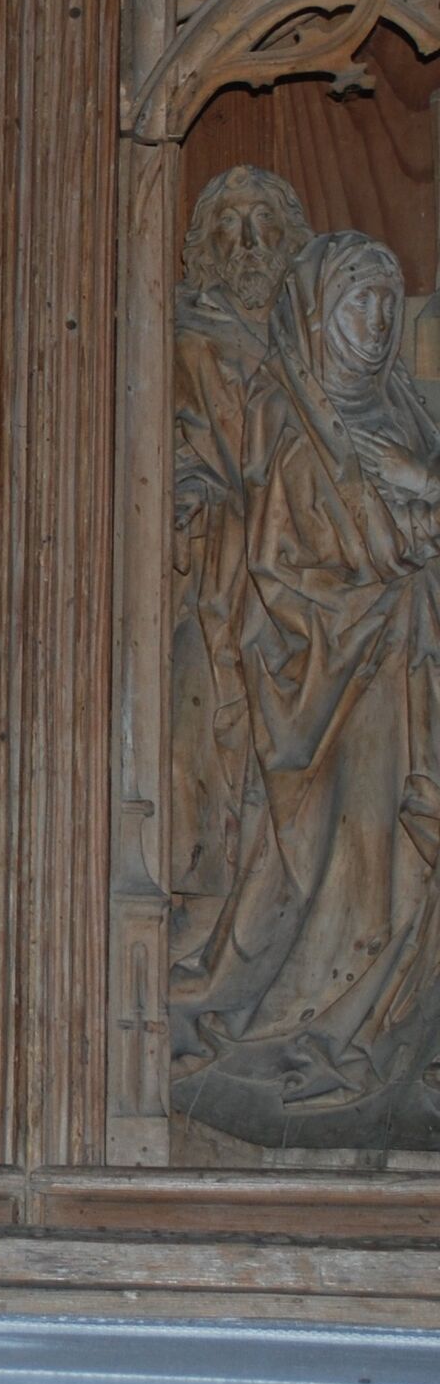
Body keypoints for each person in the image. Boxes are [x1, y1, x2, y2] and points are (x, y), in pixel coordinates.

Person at [173, 231, 440, 1146]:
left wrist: (419, 490)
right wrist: (408, 534)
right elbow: (291, 569)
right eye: (357, 302)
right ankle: (319, 1029)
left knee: (408, 872)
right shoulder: (291, 419)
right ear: (318, 316)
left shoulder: (407, 416)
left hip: (412, 679)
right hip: (337, 689)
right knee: (351, 861)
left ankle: (386, 1038)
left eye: (387, 302)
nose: (377, 322)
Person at [170, 166, 312, 907]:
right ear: (205, 242)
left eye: (264, 220)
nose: (250, 241)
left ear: (292, 237)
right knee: (206, 722)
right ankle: (215, 894)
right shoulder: (185, 337)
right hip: (221, 568)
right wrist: (190, 485)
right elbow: (164, 449)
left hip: (315, 566)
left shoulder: (320, 335)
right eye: (230, 222)